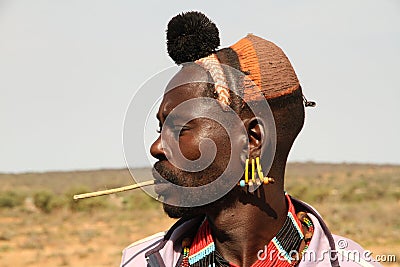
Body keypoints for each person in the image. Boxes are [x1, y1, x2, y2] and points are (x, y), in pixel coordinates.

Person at [120, 11, 381, 267]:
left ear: (252, 139)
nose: (157, 148)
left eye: (179, 129)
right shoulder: (139, 261)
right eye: (160, 130)